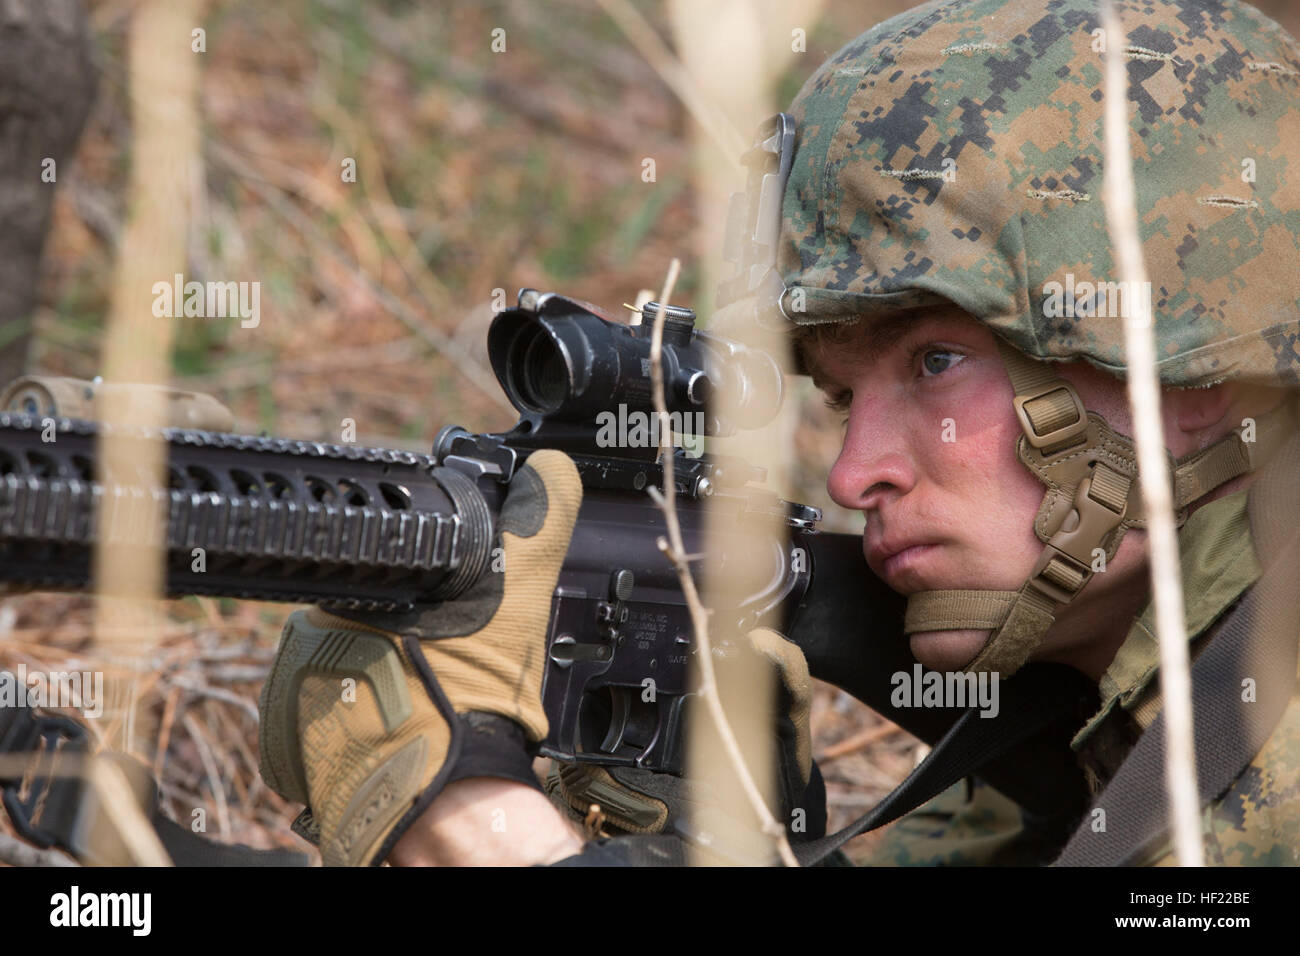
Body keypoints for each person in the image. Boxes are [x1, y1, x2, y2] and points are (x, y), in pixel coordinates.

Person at [256, 0, 1300, 866]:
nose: (851, 476)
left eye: (934, 361)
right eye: (842, 398)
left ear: (1188, 376)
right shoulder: (1105, 701)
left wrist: (469, 815)